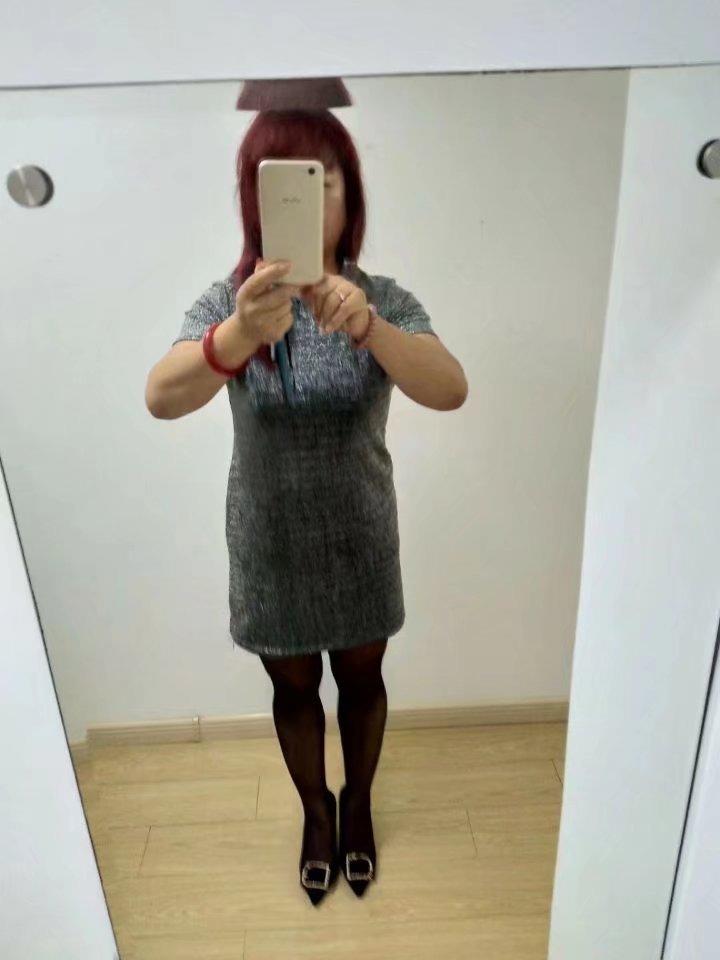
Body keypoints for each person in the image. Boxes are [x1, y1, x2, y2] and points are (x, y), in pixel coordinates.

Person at [145, 108, 468, 905]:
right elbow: (161, 396)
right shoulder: (230, 304)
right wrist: (235, 337)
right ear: (255, 199)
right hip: (271, 547)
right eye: (287, 178)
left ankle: (357, 807)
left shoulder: (383, 298)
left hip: (360, 539)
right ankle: (316, 815)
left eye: (324, 177)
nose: (310, 197)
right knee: (293, 692)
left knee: (362, 683)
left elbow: (449, 387)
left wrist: (371, 327)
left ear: (350, 195)